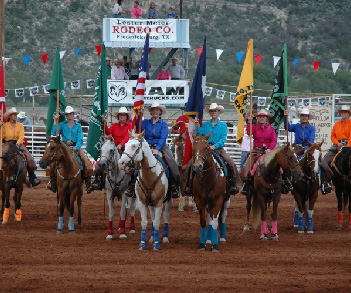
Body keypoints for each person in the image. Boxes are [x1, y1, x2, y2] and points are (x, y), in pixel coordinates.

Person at [126, 102, 180, 198]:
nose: (155, 112)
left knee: (170, 161)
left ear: (160, 112)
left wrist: (157, 149)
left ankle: (173, 185)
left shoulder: (164, 124)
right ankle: (132, 184)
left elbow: (163, 138)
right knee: (135, 161)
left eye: (156, 110)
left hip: (161, 146)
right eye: (153, 110)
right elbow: (138, 127)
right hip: (146, 146)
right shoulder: (146, 122)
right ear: (150, 112)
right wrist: (139, 114)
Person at [185, 103, 239, 195]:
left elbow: (222, 139)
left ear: (218, 112)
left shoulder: (223, 126)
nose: (214, 112)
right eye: (212, 111)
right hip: (204, 149)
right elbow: (198, 135)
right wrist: (197, 125)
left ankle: (232, 183)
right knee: (190, 164)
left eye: (215, 111)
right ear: (210, 113)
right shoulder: (205, 125)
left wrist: (214, 146)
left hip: (218, 149)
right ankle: (189, 185)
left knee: (230, 162)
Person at [284, 107, 332, 194]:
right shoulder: (296, 126)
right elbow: (288, 127)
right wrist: (286, 117)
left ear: (308, 117)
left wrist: (307, 149)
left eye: (306, 115)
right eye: (302, 115)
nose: (304, 117)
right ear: (300, 117)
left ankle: (324, 183)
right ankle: (287, 182)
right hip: (297, 148)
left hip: (308, 148)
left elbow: (311, 139)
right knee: (288, 160)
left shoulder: (311, 128)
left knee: (319, 162)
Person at [47, 106, 94, 193]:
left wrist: (76, 147)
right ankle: (52, 182)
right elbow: (54, 133)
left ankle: (88, 183)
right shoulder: (61, 124)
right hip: (63, 147)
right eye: (67, 114)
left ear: (73, 114)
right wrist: (55, 121)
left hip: (76, 146)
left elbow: (80, 139)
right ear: (66, 115)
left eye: (70, 114)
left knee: (86, 162)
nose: (69, 115)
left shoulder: (78, 126)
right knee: (53, 163)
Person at [89, 107, 133, 192]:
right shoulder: (114, 125)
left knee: (132, 165)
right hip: (114, 147)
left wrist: (121, 144)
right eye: (120, 115)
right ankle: (98, 181)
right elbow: (108, 132)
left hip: (125, 147)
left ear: (127, 117)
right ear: (118, 117)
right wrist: (104, 123)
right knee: (103, 160)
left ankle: (131, 184)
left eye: (124, 115)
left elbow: (128, 136)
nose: (122, 117)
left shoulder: (129, 126)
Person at [0, 107, 40, 186]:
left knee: (28, 157)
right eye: (14, 115)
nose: (16, 116)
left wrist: (18, 143)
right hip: (7, 143)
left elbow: (21, 136)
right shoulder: (4, 126)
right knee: (1, 156)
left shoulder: (20, 125)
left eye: (16, 115)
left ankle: (32, 177)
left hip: (18, 143)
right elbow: (1, 137)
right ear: (10, 116)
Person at [240, 109, 277, 195]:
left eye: (263, 116)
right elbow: (249, 133)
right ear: (257, 118)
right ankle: (245, 184)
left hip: (268, 151)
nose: (262, 118)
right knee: (246, 166)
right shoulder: (254, 127)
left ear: (266, 118)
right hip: (256, 151)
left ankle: (282, 183)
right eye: (260, 116)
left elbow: (274, 140)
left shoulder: (271, 128)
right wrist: (249, 121)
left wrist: (270, 149)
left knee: (279, 165)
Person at [323, 105, 351, 192]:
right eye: (342, 112)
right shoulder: (336, 124)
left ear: (348, 114)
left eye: (345, 112)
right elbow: (333, 135)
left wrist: (347, 146)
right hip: (337, 144)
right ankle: (326, 182)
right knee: (324, 159)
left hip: (348, 145)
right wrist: (337, 143)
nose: (343, 114)